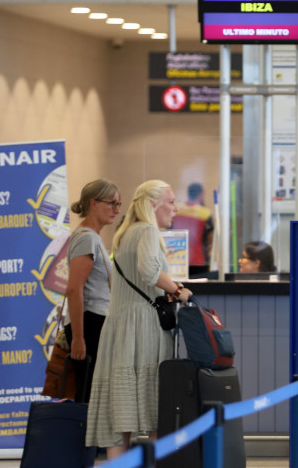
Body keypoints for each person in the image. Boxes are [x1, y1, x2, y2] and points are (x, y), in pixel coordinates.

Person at [86, 180, 193, 458]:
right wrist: (178, 290)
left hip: (119, 327)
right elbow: (149, 272)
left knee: (119, 418)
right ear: (153, 204)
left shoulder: (125, 232)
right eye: (170, 201)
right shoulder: (146, 230)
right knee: (156, 409)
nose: (175, 207)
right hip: (143, 328)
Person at [65, 179, 120, 402]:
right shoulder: (87, 238)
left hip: (94, 322)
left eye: (119, 204)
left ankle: (89, 436)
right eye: (112, 204)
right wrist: (78, 337)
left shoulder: (93, 238)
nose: (117, 210)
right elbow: (73, 289)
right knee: (89, 394)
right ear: (93, 203)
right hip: (89, 324)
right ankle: (83, 437)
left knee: (94, 393)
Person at [171, 182, 214, 276]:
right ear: (200, 194)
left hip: (176, 257)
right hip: (197, 258)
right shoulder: (205, 213)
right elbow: (211, 237)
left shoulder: (177, 209)